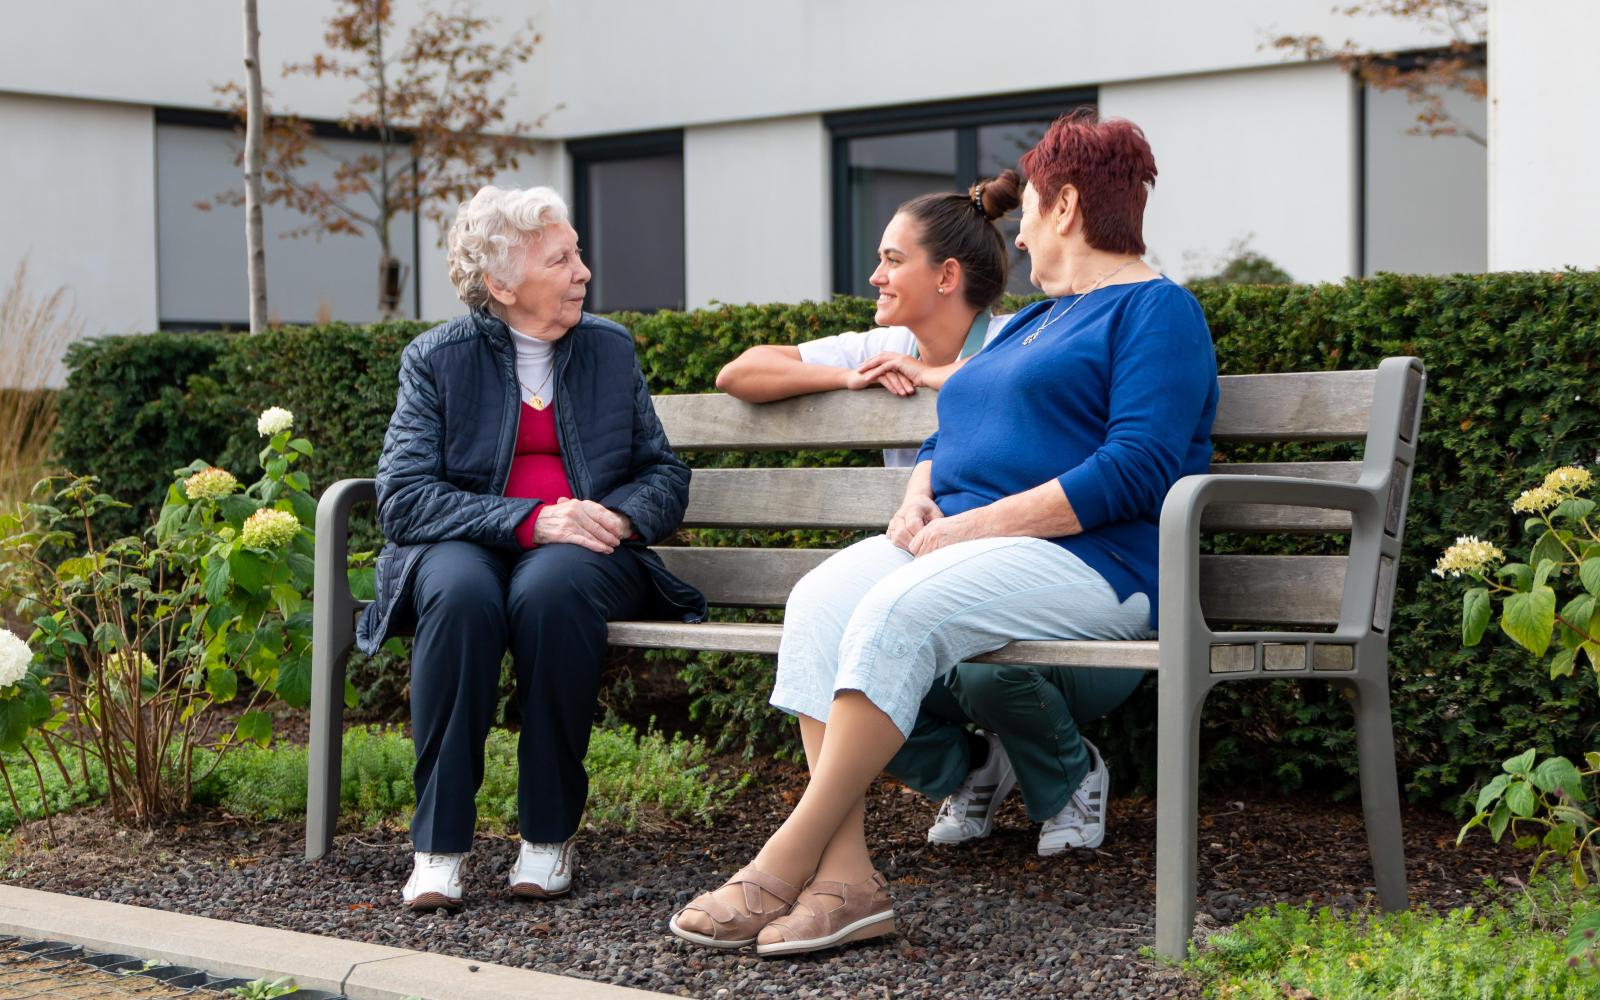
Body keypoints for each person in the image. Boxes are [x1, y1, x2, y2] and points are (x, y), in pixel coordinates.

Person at [669, 110, 1219, 957]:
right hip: (962, 543)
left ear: (1065, 206)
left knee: (900, 607)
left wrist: (974, 526)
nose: (1022, 233)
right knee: (819, 601)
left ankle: (782, 859)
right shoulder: (1032, 323)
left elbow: (1137, 468)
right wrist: (919, 499)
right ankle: (846, 882)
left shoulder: (1156, 312)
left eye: (1031, 208)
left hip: (1095, 563)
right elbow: (945, 431)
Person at [355, 185, 706, 912]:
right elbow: (404, 498)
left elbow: (663, 473)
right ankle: (438, 847)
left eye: (577, 253)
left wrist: (616, 518)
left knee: (550, 591)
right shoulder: (436, 360)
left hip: (583, 557)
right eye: (562, 258)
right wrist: (535, 520)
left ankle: (548, 834)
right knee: (461, 595)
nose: (583, 270)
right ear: (502, 284)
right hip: (467, 545)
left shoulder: (608, 349)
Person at [715, 173, 1019, 466]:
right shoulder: (887, 349)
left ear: (947, 275)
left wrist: (923, 374)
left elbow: (1013, 374)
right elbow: (737, 374)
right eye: (880, 260)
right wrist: (847, 378)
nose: (875, 277)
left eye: (894, 260)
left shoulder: (1018, 337)